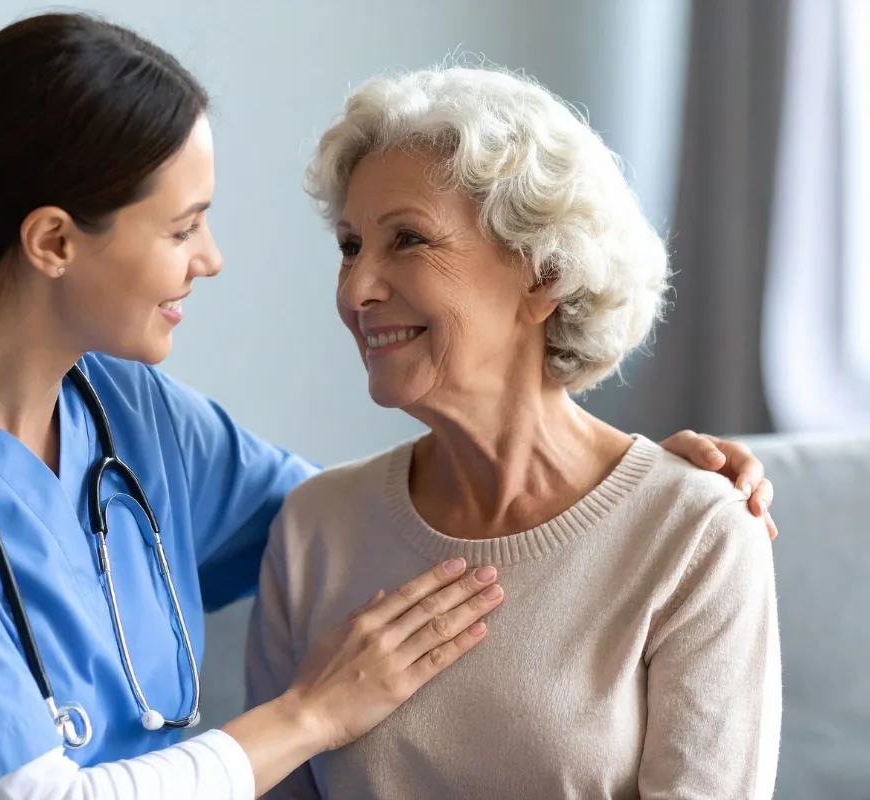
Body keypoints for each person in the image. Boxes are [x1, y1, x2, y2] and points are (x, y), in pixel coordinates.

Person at [0, 13, 776, 800]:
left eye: (403, 239)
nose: (213, 259)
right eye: (184, 224)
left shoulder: (137, 420)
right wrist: (311, 713)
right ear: (53, 242)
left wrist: (634, 485)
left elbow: (377, 518)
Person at [245, 66, 782, 799]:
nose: (356, 289)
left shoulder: (696, 533)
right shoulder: (314, 531)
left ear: (543, 275)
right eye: (348, 246)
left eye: (406, 239)